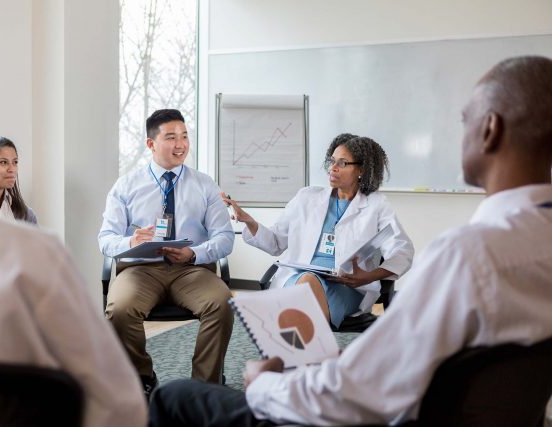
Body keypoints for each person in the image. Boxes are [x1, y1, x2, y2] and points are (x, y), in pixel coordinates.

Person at [149, 55, 552, 426]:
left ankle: (291, 359)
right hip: (418, 395)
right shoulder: (534, 241)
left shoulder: (469, 255)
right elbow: (398, 366)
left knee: (172, 396)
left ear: (491, 128)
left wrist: (264, 385)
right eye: (333, 161)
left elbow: (361, 393)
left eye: (465, 120)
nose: (334, 168)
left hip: (359, 398)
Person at [0, 17, 146, 427]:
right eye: (3, 161)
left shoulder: (27, 228)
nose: (11, 169)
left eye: (14, 162)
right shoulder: (32, 257)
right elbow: (122, 408)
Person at [98, 109, 235, 398]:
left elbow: (224, 238)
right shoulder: (126, 187)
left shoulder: (205, 185)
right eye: (171, 137)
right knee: (120, 310)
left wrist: (194, 253)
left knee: (222, 303)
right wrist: (131, 241)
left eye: (184, 136)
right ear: (151, 144)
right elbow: (106, 241)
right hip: (140, 269)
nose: (181, 144)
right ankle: (141, 377)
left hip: (192, 270)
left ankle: (205, 385)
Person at [222, 134, 414, 328]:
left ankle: (293, 351)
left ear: (361, 170)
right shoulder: (307, 197)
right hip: (298, 277)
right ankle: (315, 352)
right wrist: (249, 222)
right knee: (306, 283)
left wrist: (369, 276)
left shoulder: (376, 204)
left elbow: (402, 251)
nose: (333, 168)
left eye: (342, 163)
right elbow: (276, 243)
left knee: (303, 294)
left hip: (346, 287)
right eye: (332, 161)